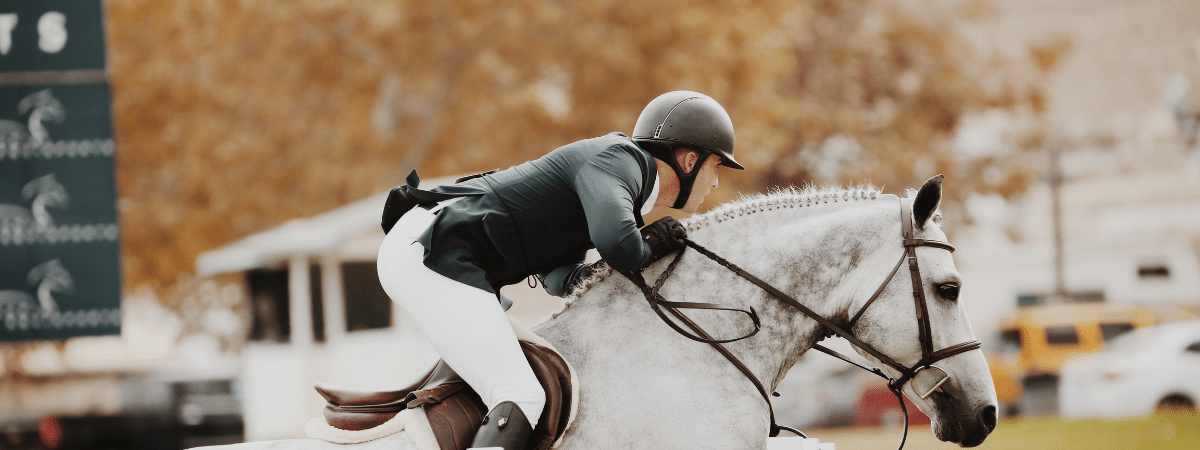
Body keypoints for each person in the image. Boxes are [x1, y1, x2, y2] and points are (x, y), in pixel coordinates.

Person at [376, 91, 742, 450]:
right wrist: (652, 244)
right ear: (690, 160)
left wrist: (636, 250)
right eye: (717, 167)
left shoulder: (618, 185)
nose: (717, 182)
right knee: (521, 395)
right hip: (430, 249)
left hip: (431, 250)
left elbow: (564, 281)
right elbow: (618, 244)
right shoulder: (620, 160)